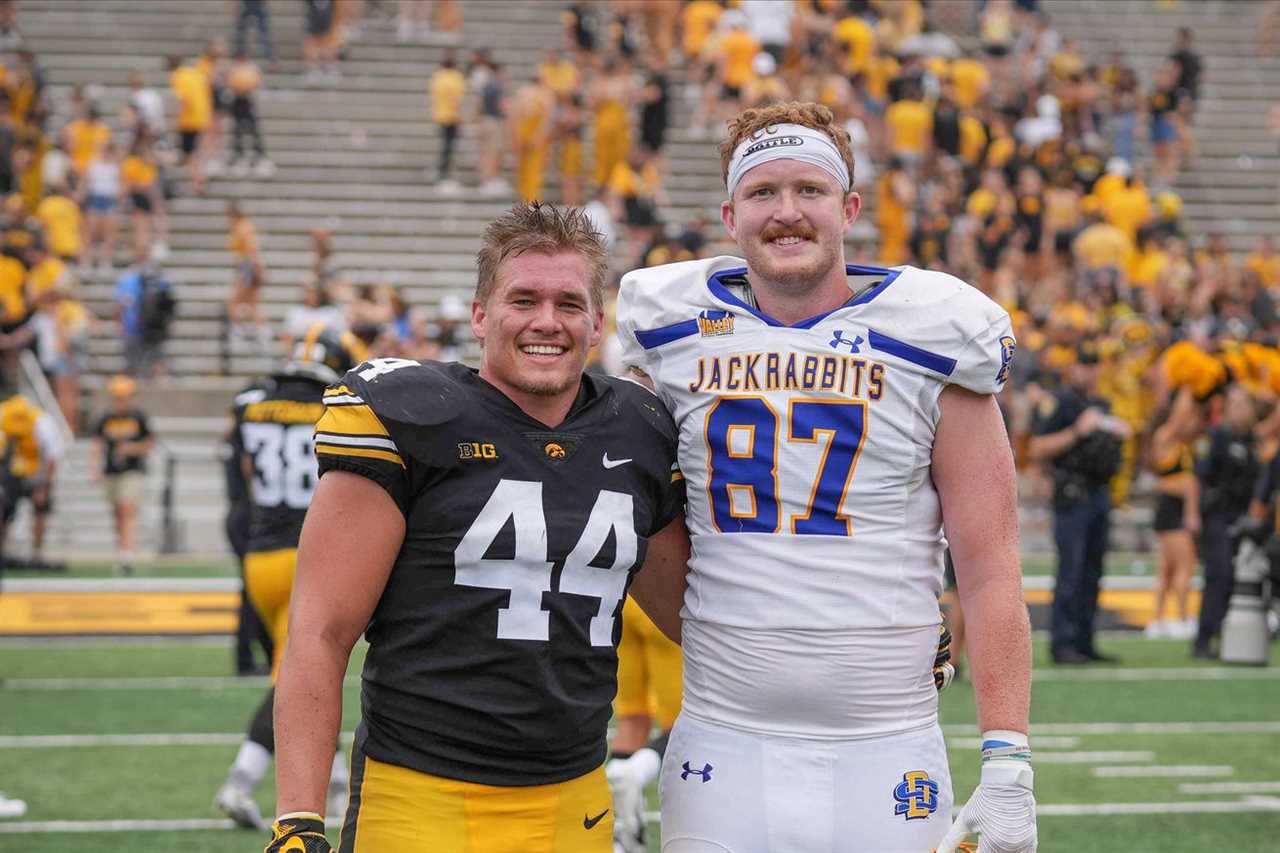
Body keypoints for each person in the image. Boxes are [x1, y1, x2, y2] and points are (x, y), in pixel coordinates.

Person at [615, 102, 1035, 852]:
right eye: (763, 193)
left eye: (809, 190)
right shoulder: (669, 328)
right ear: (730, 213)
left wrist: (1008, 761)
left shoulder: (935, 331)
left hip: (887, 742)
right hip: (722, 739)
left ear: (849, 207)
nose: (786, 213)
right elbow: (641, 522)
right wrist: (732, 639)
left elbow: (992, 564)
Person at [264, 202, 689, 853]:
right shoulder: (410, 415)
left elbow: (695, 617)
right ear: (480, 313)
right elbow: (322, 629)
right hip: (421, 795)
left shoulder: (638, 430)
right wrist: (296, 820)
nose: (547, 321)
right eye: (524, 299)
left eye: (569, 304)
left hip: (573, 798)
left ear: (598, 322)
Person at [215, 324, 366, 830]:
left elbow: (242, 469)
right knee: (301, 676)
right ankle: (241, 778)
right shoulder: (338, 404)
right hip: (311, 551)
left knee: (313, 670)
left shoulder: (251, 403)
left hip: (260, 554)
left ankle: (340, 784)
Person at [1029, 343, 1127, 665]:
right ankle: (1063, 643)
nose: (1090, 370)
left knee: (1092, 572)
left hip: (1099, 492)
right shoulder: (1061, 402)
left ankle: (1085, 641)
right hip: (1072, 495)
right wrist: (1076, 431)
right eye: (1085, 364)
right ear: (1074, 368)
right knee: (1070, 571)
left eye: (1095, 364)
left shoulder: (1101, 403)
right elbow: (1038, 447)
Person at [1193, 383, 1259, 658]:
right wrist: (1193, 514)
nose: (1240, 411)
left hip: (1242, 516)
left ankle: (1230, 637)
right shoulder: (1218, 436)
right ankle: (1204, 639)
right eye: (1236, 405)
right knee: (1218, 575)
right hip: (1217, 514)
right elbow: (1199, 477)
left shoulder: (1251, 440)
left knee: (1236, 579)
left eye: (1245, 405)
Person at [89, 376, 153, 575]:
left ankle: (127, 554)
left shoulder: (138, 417)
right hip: (111, 471)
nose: (120, 402)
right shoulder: (105, 418)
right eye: (117, 397)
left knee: (127, 509)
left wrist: (131, 449)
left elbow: (150, 444)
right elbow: (97, 445)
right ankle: (123, 550)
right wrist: (94, 468)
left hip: (132, 470)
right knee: (117, 513)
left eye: (124, 397)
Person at [0, 394, 63, 570]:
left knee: (40, 510)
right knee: (4, 509)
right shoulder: (2, 416)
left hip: (37, 471)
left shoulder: (42, 423)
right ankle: (2, 552)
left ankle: (37, 553)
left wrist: (45, 485)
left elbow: (53, 456)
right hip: (10, 470)